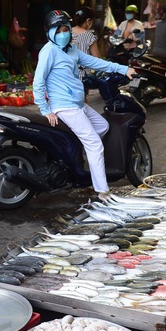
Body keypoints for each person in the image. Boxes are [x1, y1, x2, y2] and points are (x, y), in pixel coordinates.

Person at [32, 10, 136, 199]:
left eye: (66, 29)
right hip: (64, 106)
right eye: (59, 30)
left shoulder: (71, 50)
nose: (64, 33)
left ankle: (78, 156)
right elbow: (38, 82)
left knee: (103, 126)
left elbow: (96, 63)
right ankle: (102, 191)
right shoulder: (48, 52)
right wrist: (45, 109)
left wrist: (124, 69)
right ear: (50, 32)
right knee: (95, 144)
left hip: (78, 105)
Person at [72, 6, 101, 80]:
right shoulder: (90, 36)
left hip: (67, 73)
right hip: (82, 76)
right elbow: (97, 58)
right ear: (88, 21)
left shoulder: (68, 32)